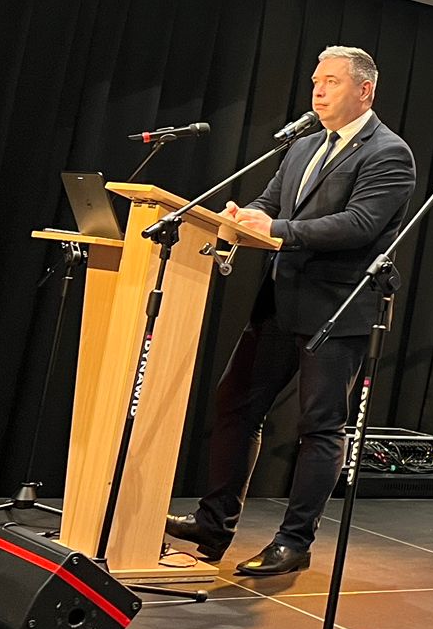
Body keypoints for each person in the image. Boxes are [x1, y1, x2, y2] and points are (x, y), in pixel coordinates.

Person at [166, 46, 416, 577]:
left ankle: (294, 542)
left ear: (364, 90)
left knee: (319, 426)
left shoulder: (389, 153)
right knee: (235, 403)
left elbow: (360, 225)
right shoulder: (303, 146)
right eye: (315, 81)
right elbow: (269, 203)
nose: (318, 91)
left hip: (337, 309)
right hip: (279, 302)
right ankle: (213, 526)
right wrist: (242, 217)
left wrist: (277, 230)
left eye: (331, 82)